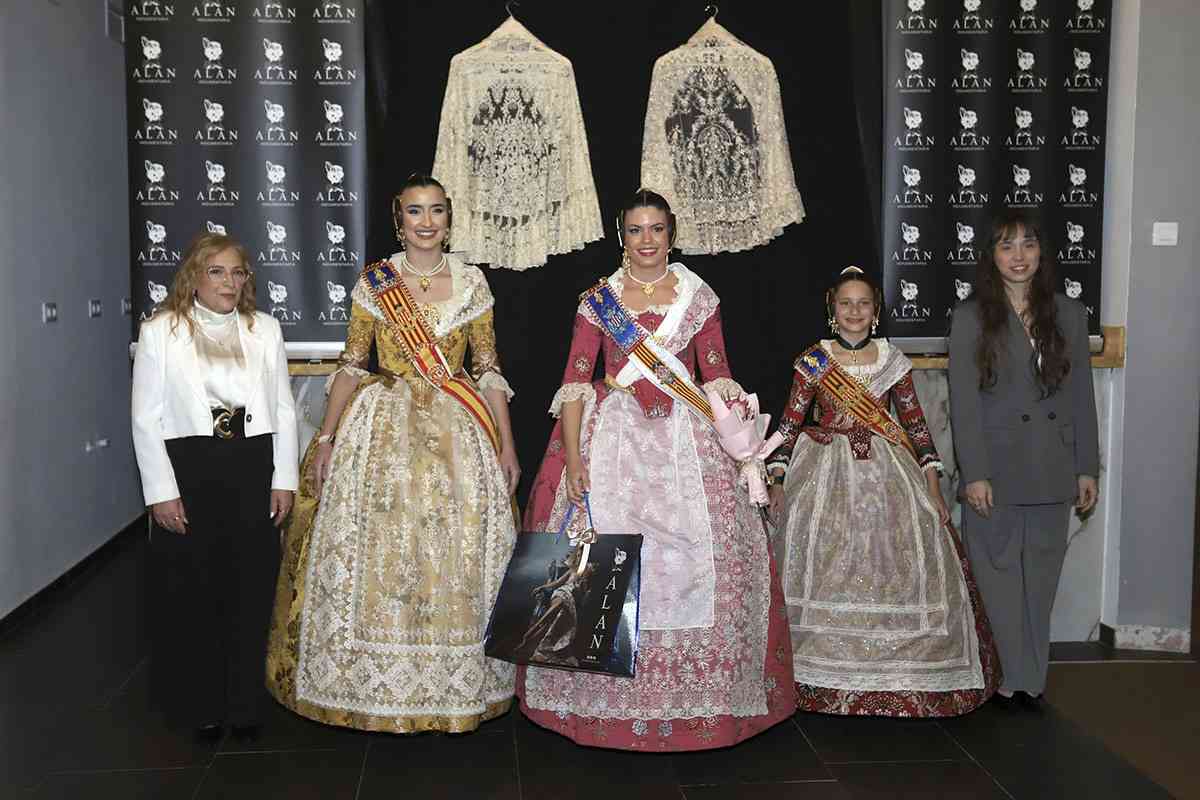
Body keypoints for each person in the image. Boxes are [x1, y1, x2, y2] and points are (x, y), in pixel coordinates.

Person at [518, 189, 796, 751]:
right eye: (636, 229)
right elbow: (574, 383)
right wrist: (575, 459)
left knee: (708, 552)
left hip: (686, 437)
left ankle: (706, 696)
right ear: (622, 236)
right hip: (612, 436)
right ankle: (593, 702)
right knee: (598, 550)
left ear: (672, 234)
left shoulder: (698, 296)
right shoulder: (598, 301)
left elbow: (716, 373)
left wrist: (742, 444)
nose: (647, 240)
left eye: (657, 229)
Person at [266, 174, 520, 734]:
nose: (426, 222)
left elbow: (487, 369)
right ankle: (366, 684)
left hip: (459, 430)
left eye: (436, 211)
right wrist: (327, 438)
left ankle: (452, 686)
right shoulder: (376, 281)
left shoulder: (472, 283)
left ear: (449, 219)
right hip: (381, 431)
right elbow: (352, 365)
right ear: (398, 220)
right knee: (382, 549)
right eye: (415, 211)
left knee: (454, 553)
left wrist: (506, 444)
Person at [765, 266, 1000, 717]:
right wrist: (777, 478)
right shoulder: (815, 360)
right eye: (846, 304)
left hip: (888, 472)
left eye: (863, 304)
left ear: (875, 311)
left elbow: (916, 425)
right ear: (832, 309)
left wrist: (933, 485)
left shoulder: (892, 359)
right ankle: (816, 671)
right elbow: (790, 424)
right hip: (824, 475)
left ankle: (901, 669)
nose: (854, 311)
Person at [131, 232, 298, 739]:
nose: (229, 282)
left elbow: (284, 409)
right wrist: (161, 492)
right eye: (217, 271)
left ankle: (244, 704)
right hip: (190, 466)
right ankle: (200, 703)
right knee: (193, 587)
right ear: (194, 277)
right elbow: (145, 419)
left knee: (251, 586)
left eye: (238, 272)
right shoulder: (160, 331)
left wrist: (284, 478)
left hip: (252, 463)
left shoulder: (265, 328)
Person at [948, 209, 1099, 711]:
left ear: (1042, 253)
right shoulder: (970, 317)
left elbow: (1081, 396)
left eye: (1028, 244)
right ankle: (1005, 676)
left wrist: (1086, 466)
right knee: (997, 579)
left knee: (1041, 580)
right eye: (1007, 245)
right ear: (991, 255)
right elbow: (964, 403)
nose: (1019, 256)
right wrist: (975, 473)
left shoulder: (1069, 313)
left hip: (1053, 467)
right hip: (995, 470)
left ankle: (1031, 680)